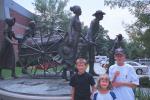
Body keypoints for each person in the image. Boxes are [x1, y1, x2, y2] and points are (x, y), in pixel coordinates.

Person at [61, 5, 82, 80]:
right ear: (77, 11)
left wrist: (82, 37)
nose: (81, 11)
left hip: (76, 37)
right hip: (73, 37)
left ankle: (65, 73)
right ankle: (70, 73)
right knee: (71, 55)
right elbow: (69, 27)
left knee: (73, 55)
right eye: (80, 10)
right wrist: (70, 37)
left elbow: (79, 30)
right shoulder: (73, 18)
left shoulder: (78, 18)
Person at [85, 10, 105, 76]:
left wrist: (94, 40)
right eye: (101, 15)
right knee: (85, 56)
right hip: (88, 41)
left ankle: (91, 71)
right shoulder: (93, 21)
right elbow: (90, 31)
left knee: (92, 57)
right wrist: (90, 40)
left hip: (92, 41)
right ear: (97, 15)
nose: (102, 16)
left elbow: (95, 33)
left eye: (102, 15)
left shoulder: (97, 22)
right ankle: (81, 70)